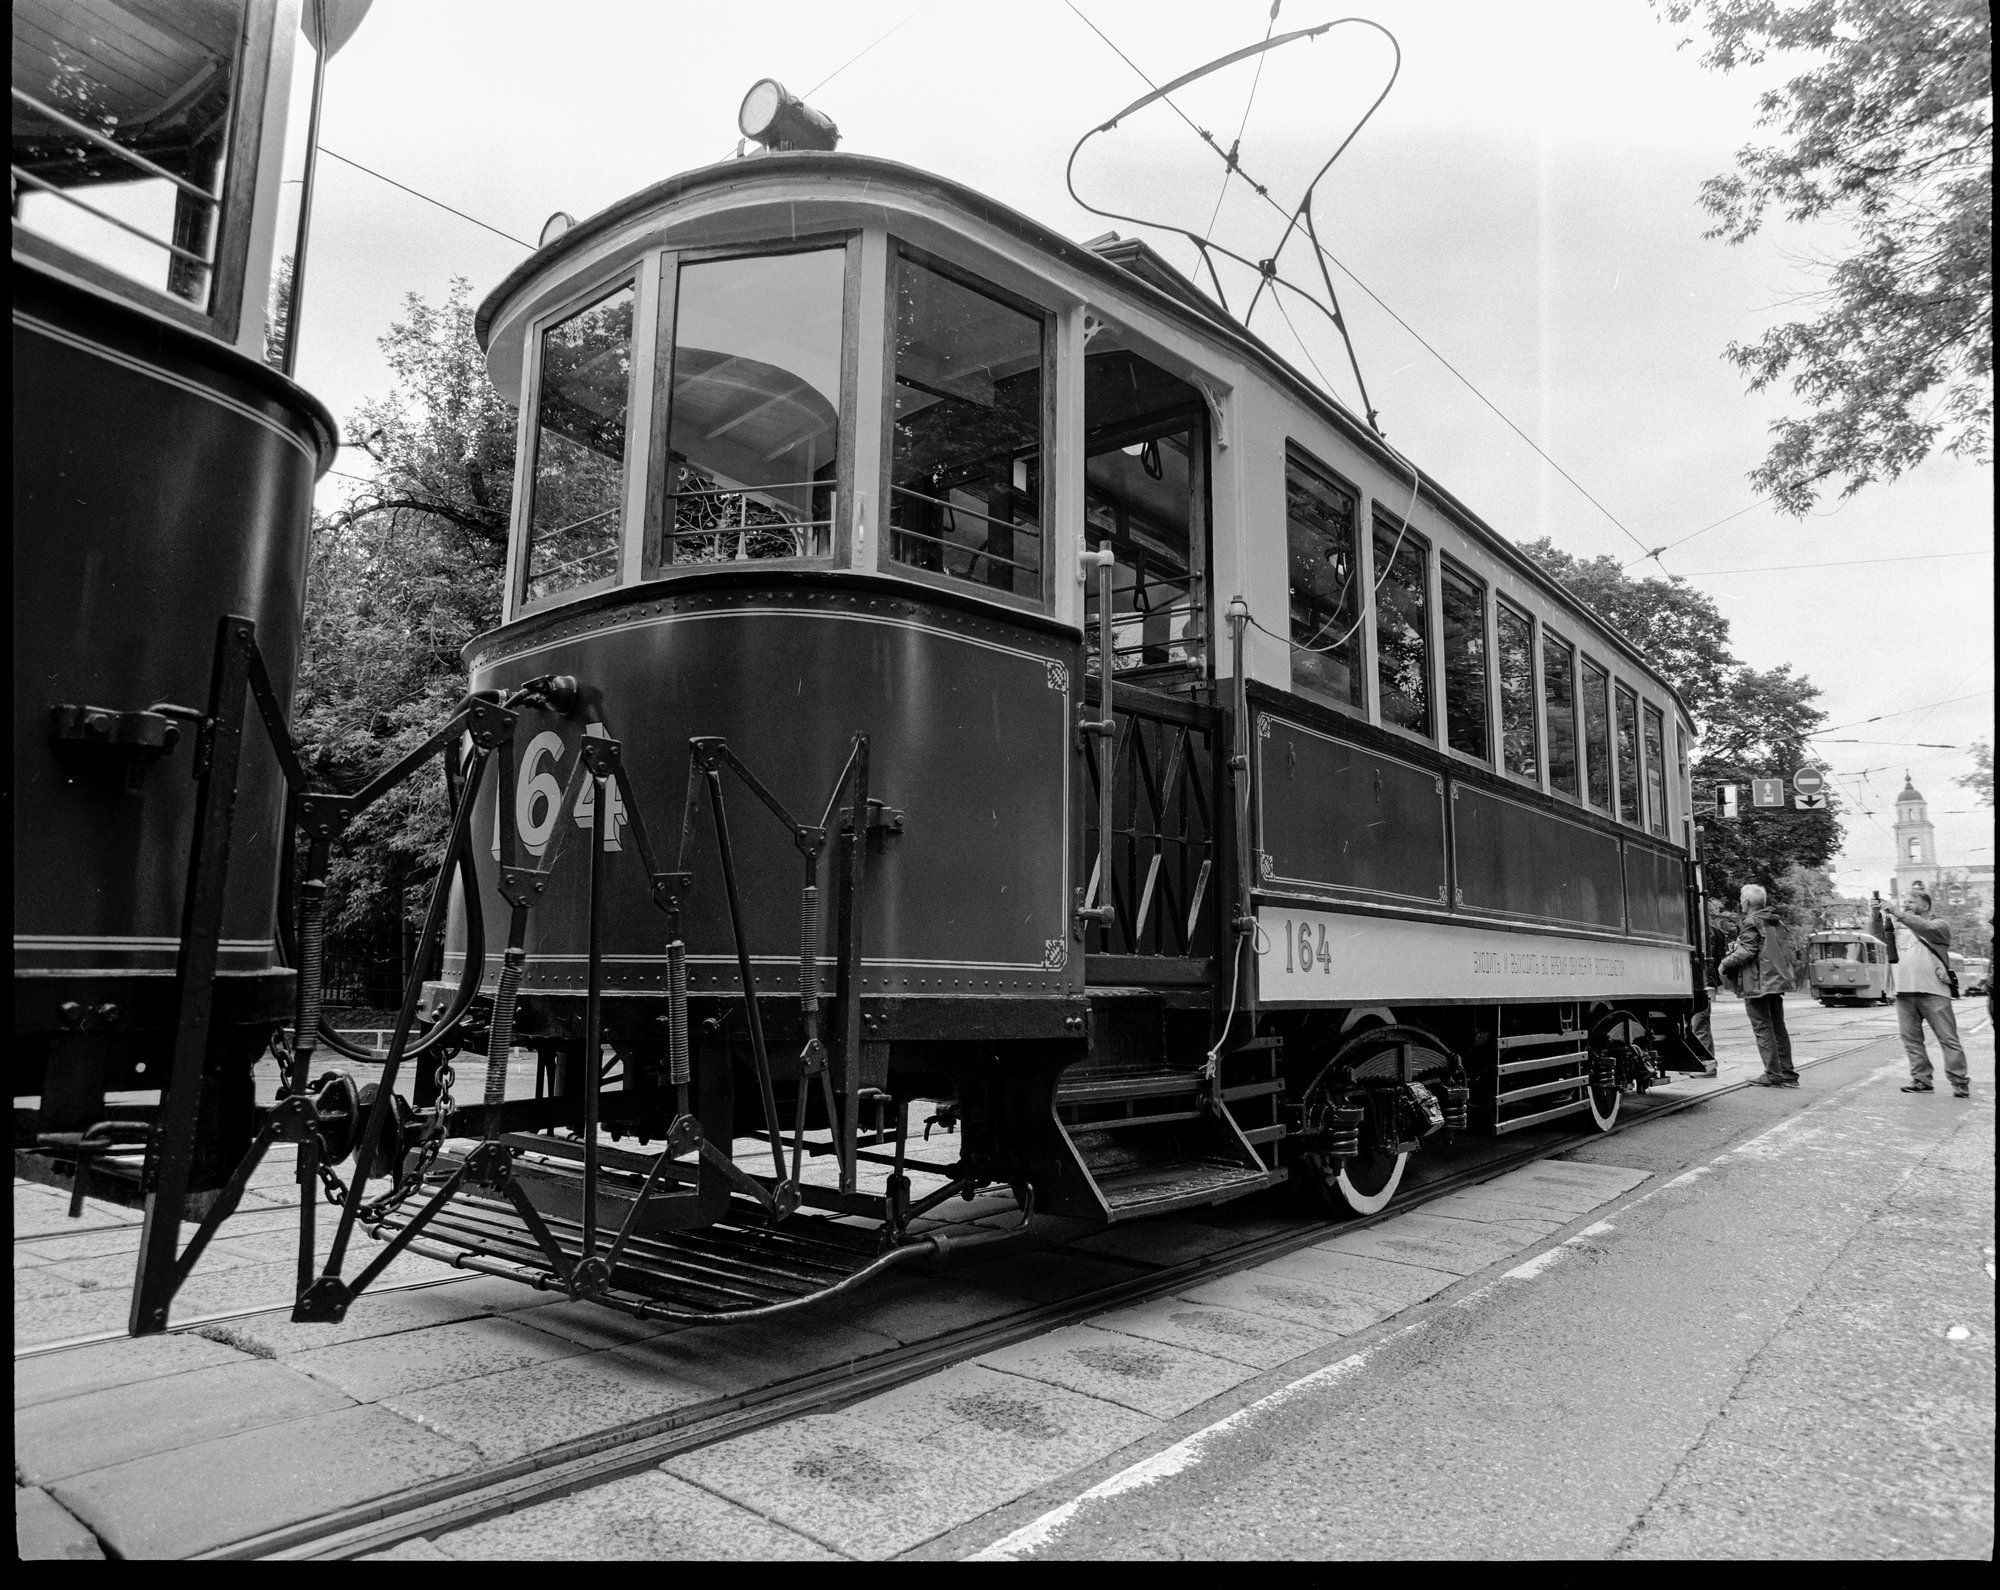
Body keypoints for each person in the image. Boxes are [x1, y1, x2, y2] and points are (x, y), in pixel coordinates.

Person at [1878, 887, 1970, 1097]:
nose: (1906, 905)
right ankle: (1921, 1080)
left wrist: (1898, 913)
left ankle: (1959, 1082)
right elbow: (1877, 936)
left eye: (1911, 901)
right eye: (1904, 902)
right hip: (1904, 992)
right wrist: (1877, 916)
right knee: (1911, 1040)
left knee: (1948, 1038)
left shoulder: (1939, 926)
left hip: (1934, 992)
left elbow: (1923, 927)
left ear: (1925, 905)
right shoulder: (1899, 928)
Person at [1718, 883, 1799, 1087]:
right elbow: (1763, 948)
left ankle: (1772, 1073)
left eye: (1741, 900)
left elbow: (1747, 951)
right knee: (1778, 1028)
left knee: (1763, 1028)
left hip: (1757, 982)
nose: (1740, 903)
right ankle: (1788, 1073)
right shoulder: (1774, 921)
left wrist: (1724, 964)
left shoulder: (1752, 921)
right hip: (1775, 980)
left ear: (1746, 902)